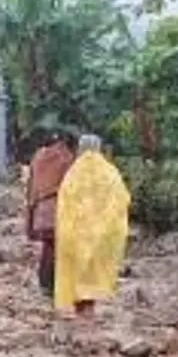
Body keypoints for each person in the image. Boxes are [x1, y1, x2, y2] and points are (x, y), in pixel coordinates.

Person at [54, 134, 130, 320]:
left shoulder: (74, 172)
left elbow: (64, 200)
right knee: (93, 269)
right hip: (100, 233)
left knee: (77, 268)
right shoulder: (109, 171)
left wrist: (65, 228)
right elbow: (122, 198)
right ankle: (89, 307)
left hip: (76, 232)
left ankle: (80, 307)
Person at [25, 130, 76, 296]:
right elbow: (70, 184)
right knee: (57, 248)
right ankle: (52, 284)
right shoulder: (65, 157)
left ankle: (45, 282)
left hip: (40, 206)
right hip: (58, 206)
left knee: (49, 246)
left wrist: (30, 211)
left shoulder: (38, 156)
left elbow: (31, 184)